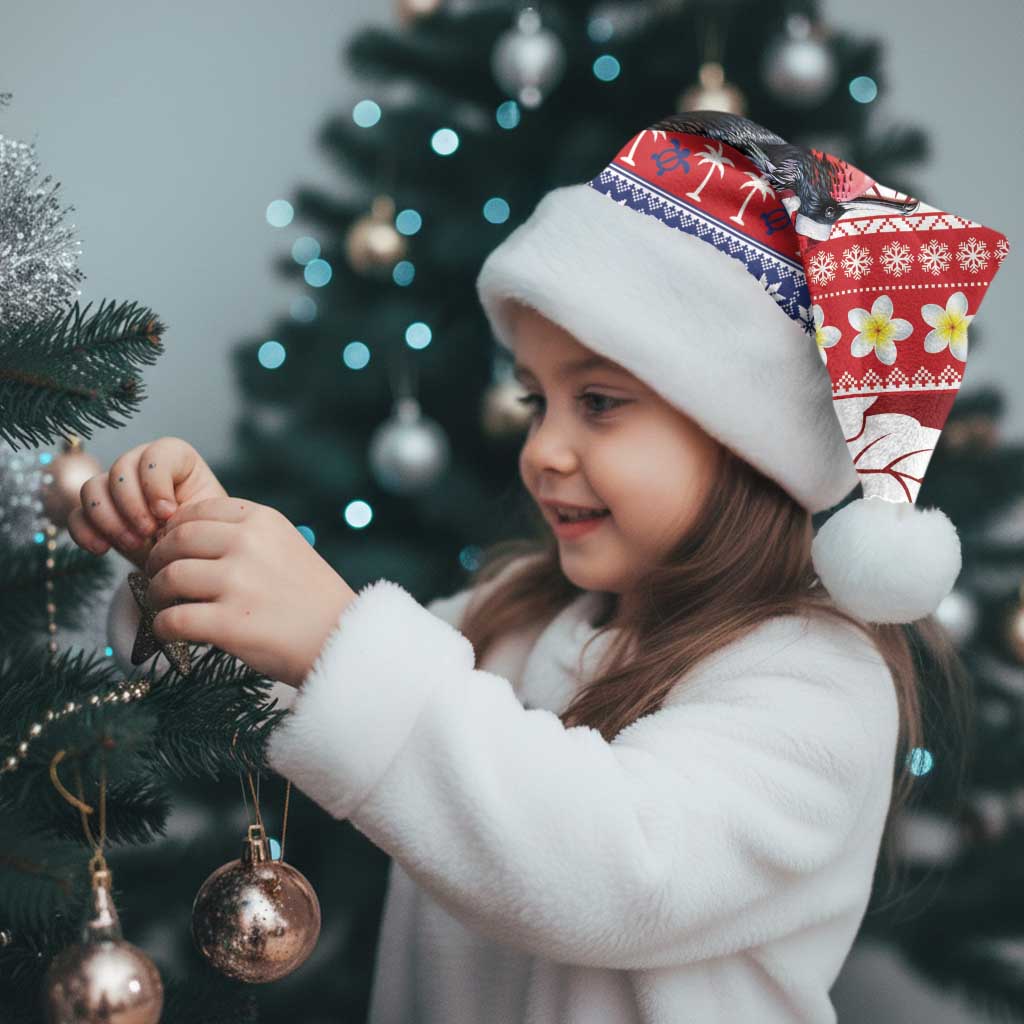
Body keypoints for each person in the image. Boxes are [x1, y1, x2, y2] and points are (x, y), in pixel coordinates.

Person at [73, 111, 1010, 1023]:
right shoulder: (515, 616)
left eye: (598, 403)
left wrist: (334, 636)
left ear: (747, 442)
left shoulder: (818, 684)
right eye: (535, 401)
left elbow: (615, 871)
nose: (543, 450)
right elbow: (306, 691)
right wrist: (191, 566)